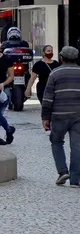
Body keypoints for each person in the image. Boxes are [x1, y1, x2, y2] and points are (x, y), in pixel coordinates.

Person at [41, 46, 80, 187]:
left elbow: (48, 98)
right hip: (78, 116)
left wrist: (45, 117)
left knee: (57, 142)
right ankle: (76, 180)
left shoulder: (55, 74)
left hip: (59, 115)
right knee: (77, 146)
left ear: (62, 58)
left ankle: (62, 171)